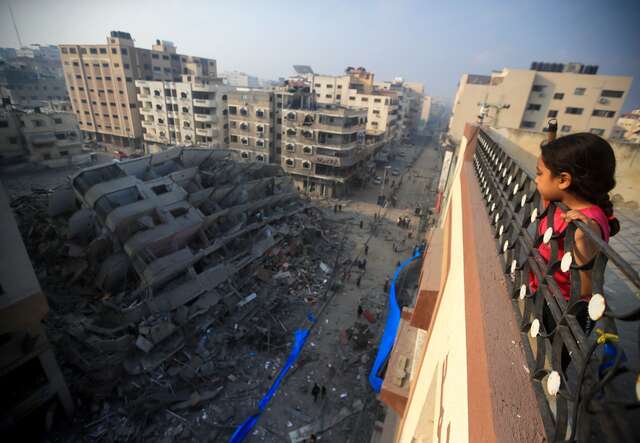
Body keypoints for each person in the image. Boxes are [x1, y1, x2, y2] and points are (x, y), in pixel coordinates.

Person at [531, 133, 619, 341]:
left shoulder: (588, 225)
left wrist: (581, 236)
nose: (536, 179)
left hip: (563, 313)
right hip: (545, 295)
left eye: (539, 174)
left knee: (550, 360)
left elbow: (587, 290)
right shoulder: (559, 204)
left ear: (563, 180)